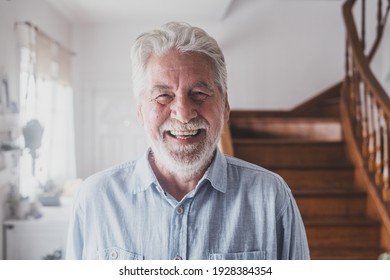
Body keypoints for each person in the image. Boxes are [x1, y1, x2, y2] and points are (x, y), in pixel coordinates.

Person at [66, 22, 310, 260]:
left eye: (199, 94)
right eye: (163, 96)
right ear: (140, 111)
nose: (183, 114)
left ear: (225, 108)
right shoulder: (95, 197)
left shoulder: (271, 196)